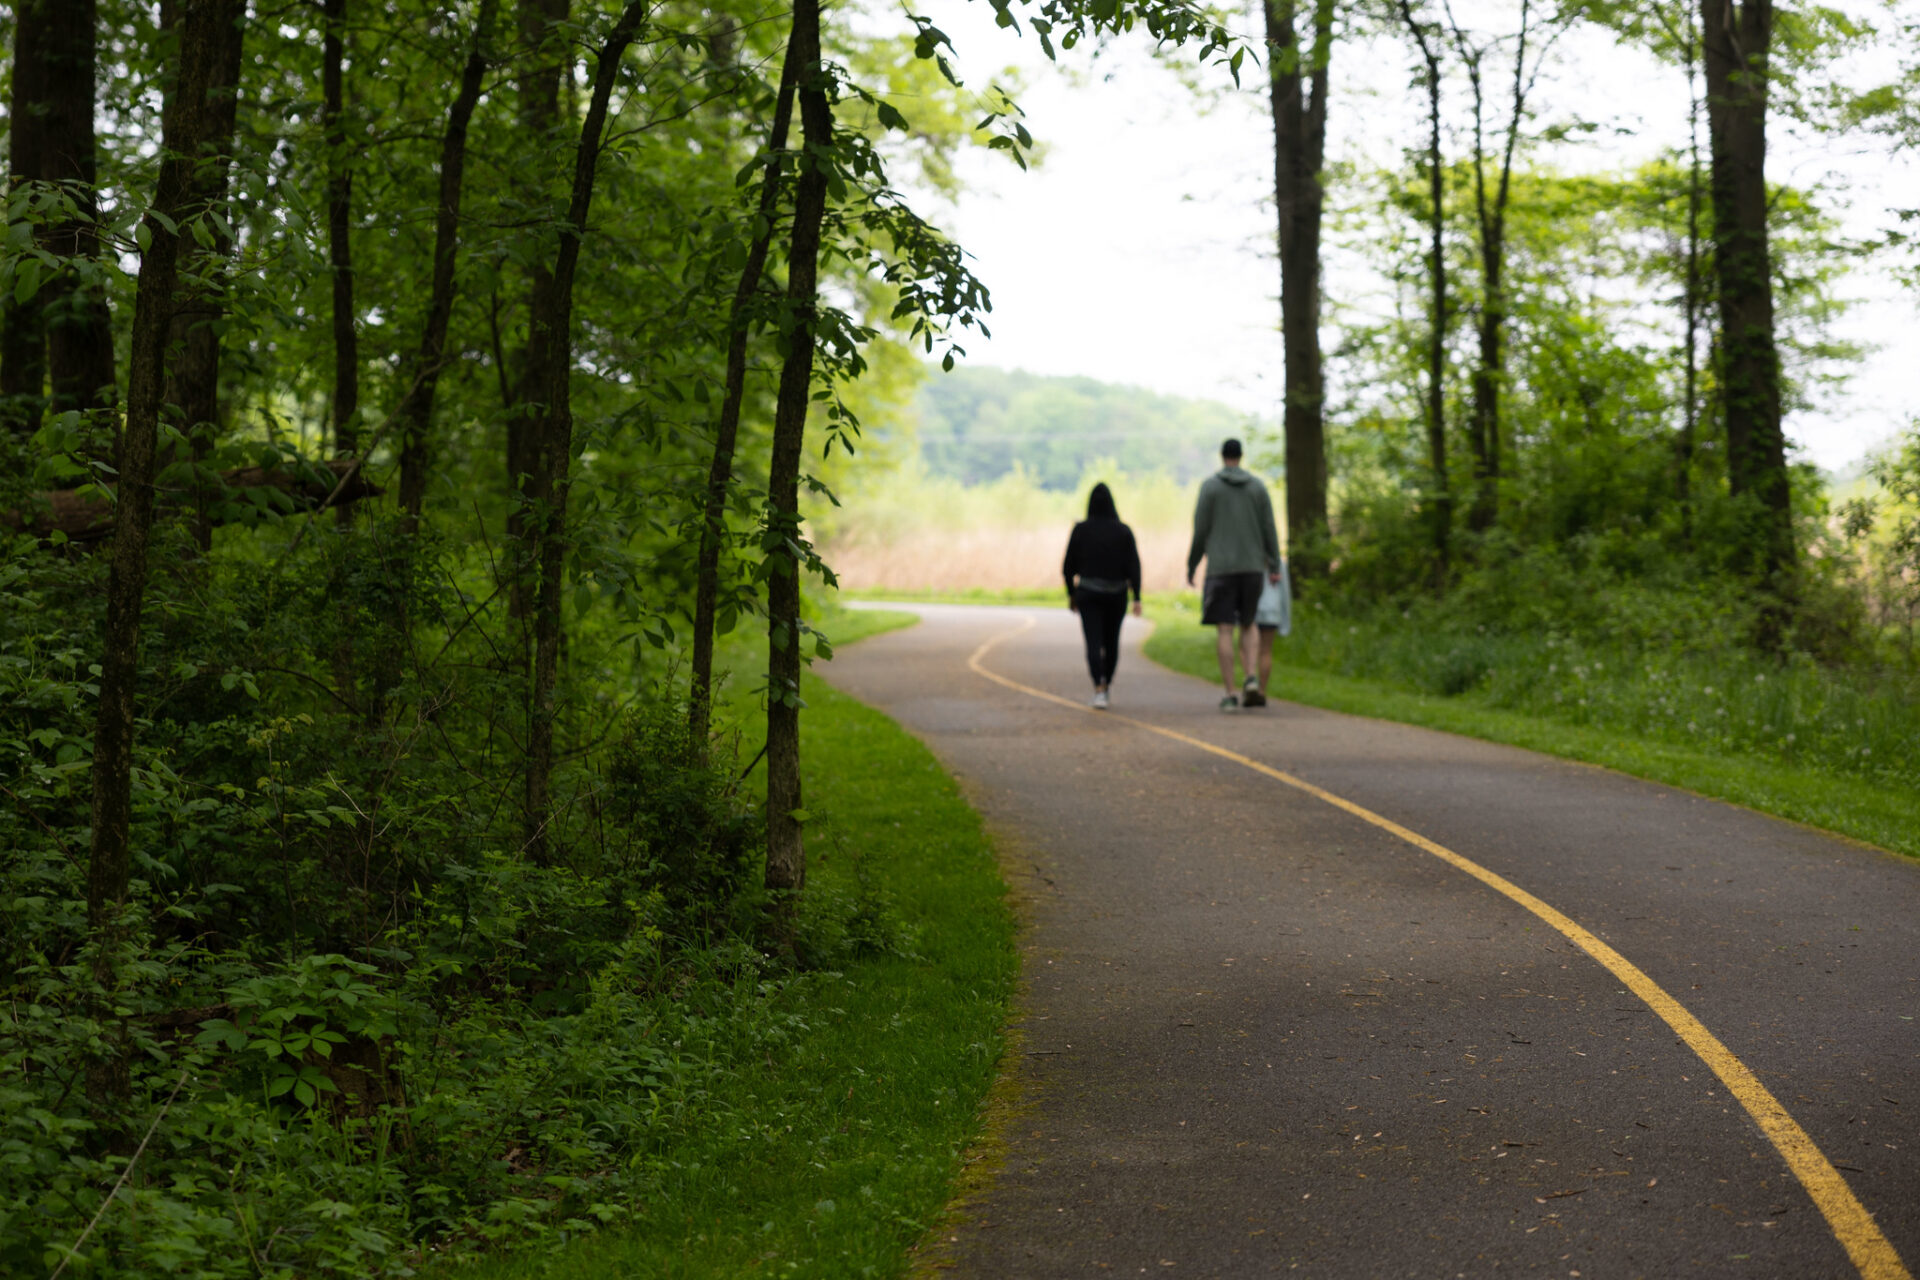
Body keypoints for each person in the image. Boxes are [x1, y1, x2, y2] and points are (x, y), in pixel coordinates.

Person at [1185, 438, 1281, 711]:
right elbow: (1269, 528)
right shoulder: (1257, 488)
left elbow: (1200, 530)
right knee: (1249, 623)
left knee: (1225, 629)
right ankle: (1250, 678)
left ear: (1222, 456)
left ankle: (1229, 693)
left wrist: (1192, 565)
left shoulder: (1211, 487)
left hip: (1221, 569)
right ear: (1241, 456)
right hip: (1252, 568)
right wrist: (1273, 564)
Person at [1062, 482, 1142, 709]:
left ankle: (1099, 686)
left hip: (1088, 594)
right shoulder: (1123, 531)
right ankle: (1106, 684)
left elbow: (1068, 566)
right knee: (1112, 641)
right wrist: (1137, 596)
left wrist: (1071, 593)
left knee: (1093, 642)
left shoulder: (1080, 530)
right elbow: (1134, 565)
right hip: (1116, 595)